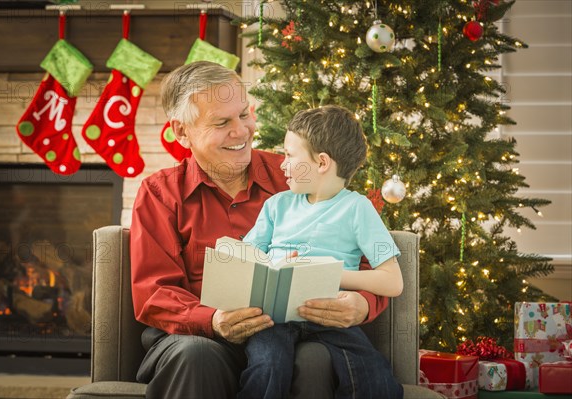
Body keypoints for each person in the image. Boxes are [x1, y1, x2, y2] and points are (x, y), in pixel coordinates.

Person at [129, 61, 390, 399]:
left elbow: (372, 257)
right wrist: (214, 320)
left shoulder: (295, 174)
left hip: (295, 335)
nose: (242, 131)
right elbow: (155, 292)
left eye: (244, 114)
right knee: (195, 355)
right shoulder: (160, 194)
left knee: (315, 359)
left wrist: (362, 302)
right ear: (182, 132)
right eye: (222, 122)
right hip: (201, 339)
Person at [238, 105, 404, 399]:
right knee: (268, 365)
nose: (282, 164)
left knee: (376, 377)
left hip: (329, 317)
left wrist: (332, 274)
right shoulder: (277, 206)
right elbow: (247, 258)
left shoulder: (358, 209)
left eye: (290, 155)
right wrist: (272, 265)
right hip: (274, 318)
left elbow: (392, 281)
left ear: (322, 162)